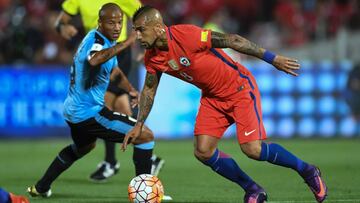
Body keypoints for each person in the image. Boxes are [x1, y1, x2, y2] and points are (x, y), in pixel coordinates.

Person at [122, 5, 328, 203]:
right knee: (203, 151)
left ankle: (307, 170)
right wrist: (139, 124)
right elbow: (149, 89)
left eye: (141, 30)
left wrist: (272, 59)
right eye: (135, 31)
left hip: (239, 88)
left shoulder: (186, 35)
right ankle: (253, 189)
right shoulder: (152, 57)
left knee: (253, 150)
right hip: (213, 98)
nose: (137, 36)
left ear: (158, 28)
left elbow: (232, 39)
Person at [27, 3, 157, 197]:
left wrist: (130, 90)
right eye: (111, 22)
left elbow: (113, 71)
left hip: (73, 111)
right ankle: (143, 195)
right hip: (90, 113)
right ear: (99, 23)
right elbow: (95, 59)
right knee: (145, 135)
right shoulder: (97, 42)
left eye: (120, 22)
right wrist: (128, 42)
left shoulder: (101, 40)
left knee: (83, 147)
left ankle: (41, 187)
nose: (116, 27)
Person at [55, 0, 164, 182]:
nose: (117, 24)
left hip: (119, 52)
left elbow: (148, 19)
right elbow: (61, 21)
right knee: (120, 107)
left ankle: (111, 162)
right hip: (96, 46)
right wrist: (63, 29)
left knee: (104, 104)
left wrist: (148, 46)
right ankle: (145, 155)